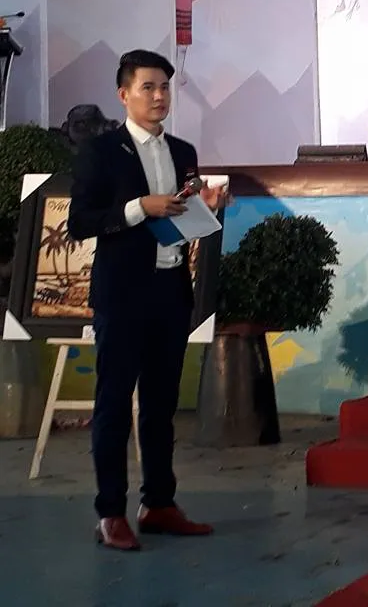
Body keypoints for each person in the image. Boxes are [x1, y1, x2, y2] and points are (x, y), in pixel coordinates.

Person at [67, 49, 226, 551]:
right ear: (124, 94)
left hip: (171, 290)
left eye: (164, 88)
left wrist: (205, 207)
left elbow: (182, 215)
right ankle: (110, 512)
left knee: (160, 405)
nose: (159, 97)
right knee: (114, 404)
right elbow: (81, 222)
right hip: (123, 294)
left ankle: (159, 503)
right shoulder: (100, 152)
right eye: (148, 88)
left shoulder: (182, 150)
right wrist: (140, 206)